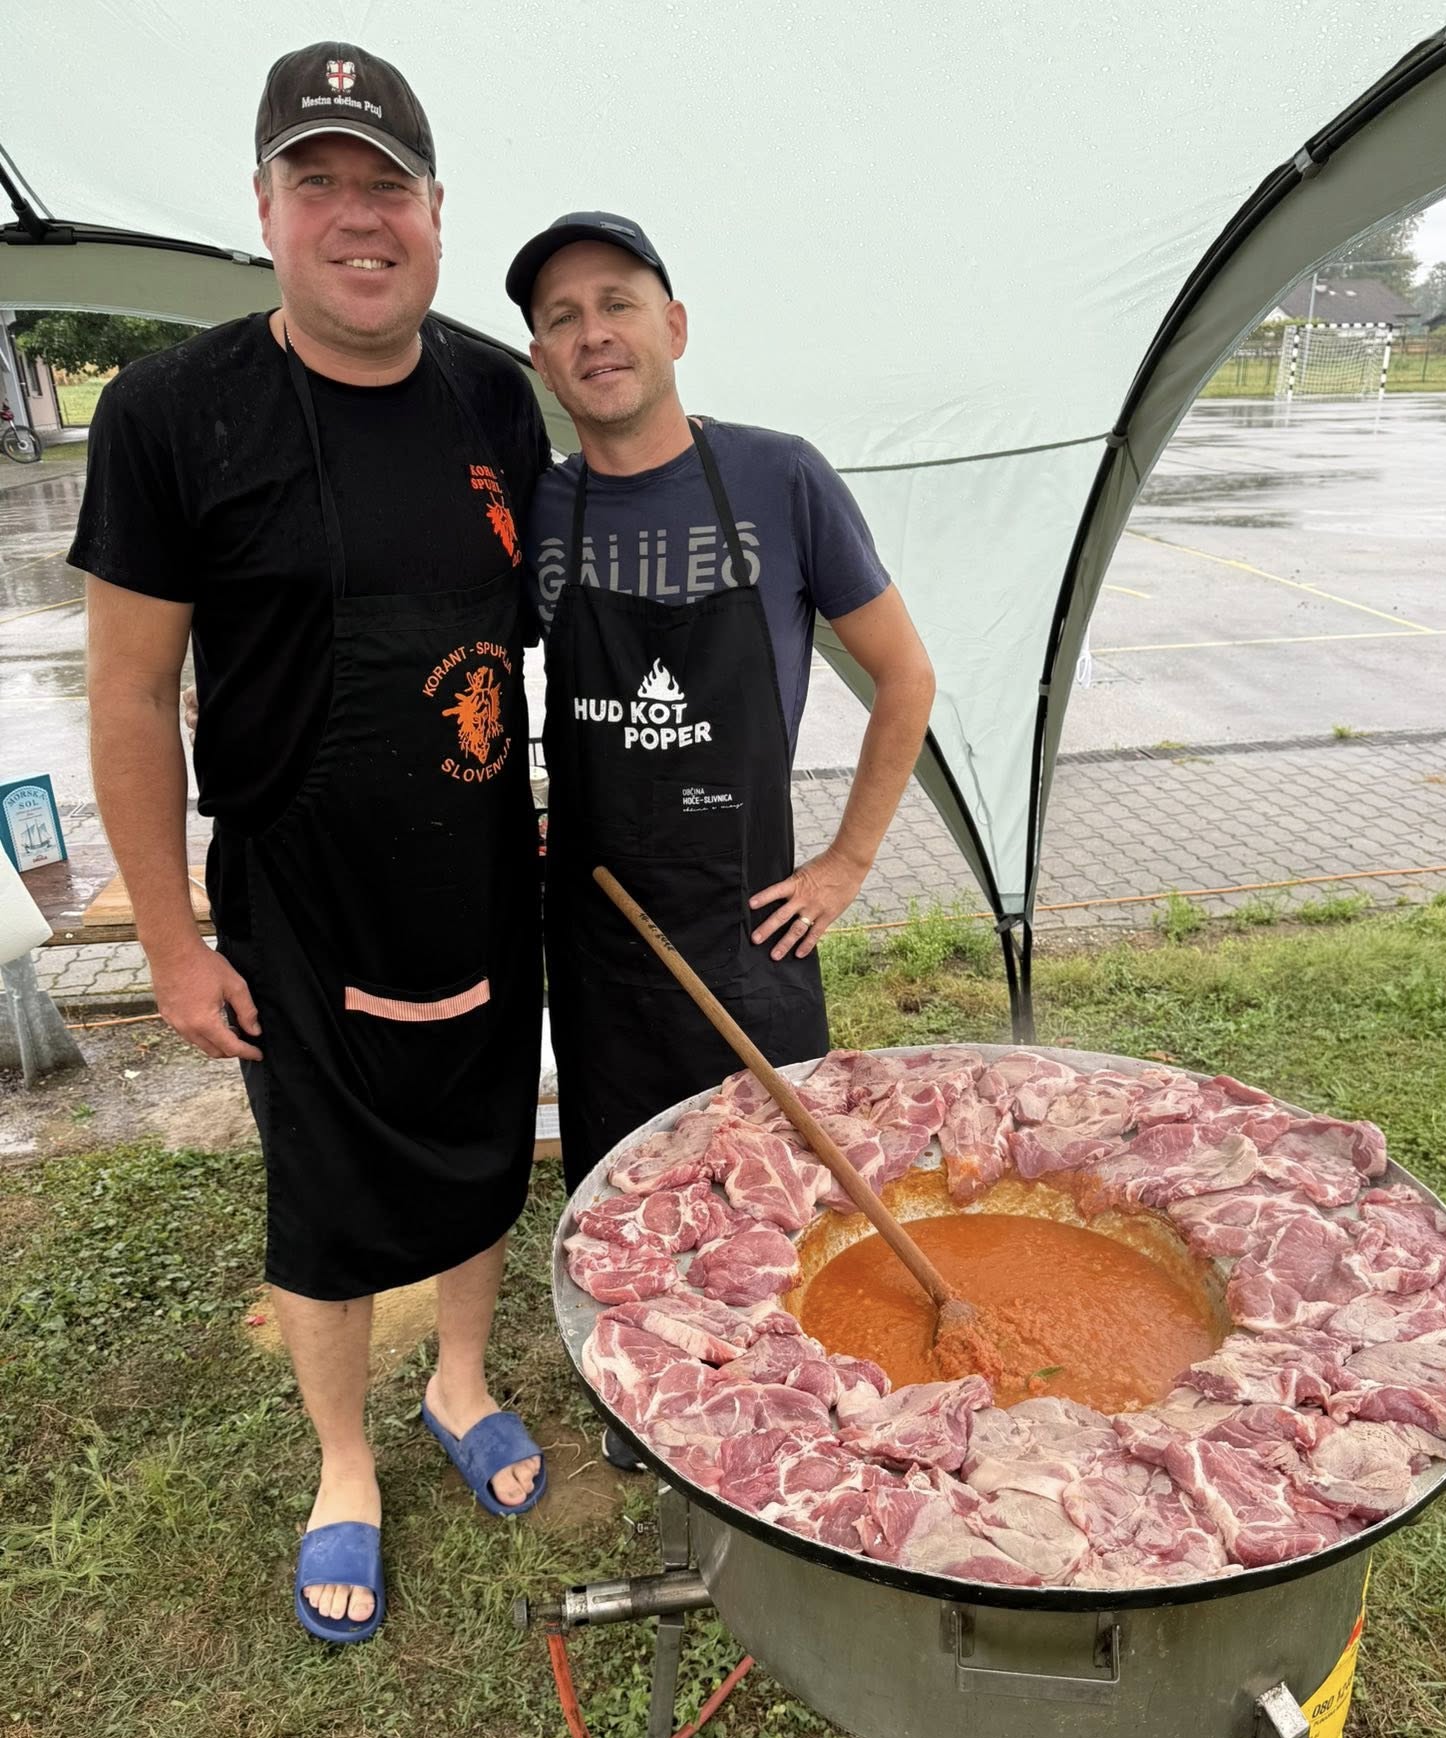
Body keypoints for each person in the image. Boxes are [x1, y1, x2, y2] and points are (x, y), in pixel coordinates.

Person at [70, 43, 551, 1645]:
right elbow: (131, 697)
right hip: (295, 895)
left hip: (481, 866)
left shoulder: (496, 395)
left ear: (436, 212)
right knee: (327, 1193)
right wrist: (170, 943)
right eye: (318, 182)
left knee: (484, 1139)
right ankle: (345, 1460)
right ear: (265, 209)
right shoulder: (171, 414)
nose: (358, 217)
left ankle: (460, 1381)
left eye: (386, 187)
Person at [507, 212, 936, 1190]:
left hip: (748, 938)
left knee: (771, 1207)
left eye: (618, 304)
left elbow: (906, 674)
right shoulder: (541, 509)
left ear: (675, 326)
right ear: (544, 363)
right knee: (624, 1208)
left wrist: (847, 861)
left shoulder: (779, 476)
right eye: (564, 318)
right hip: (597, 951)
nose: (594, 333)